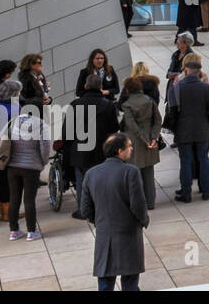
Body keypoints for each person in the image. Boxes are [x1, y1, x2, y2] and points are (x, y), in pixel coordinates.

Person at [78, 133, 149, 291]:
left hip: (104, 234)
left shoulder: (91, 174)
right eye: (129, 146)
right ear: (119, 151)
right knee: (130, 282)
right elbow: (138, 205)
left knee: (105, 282)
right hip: (128, 235)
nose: (131, 149)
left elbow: (85, 209)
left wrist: (100, 221)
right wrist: (144, 220)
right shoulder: (131, 172)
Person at [67, 74, 120, 219]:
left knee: (81, 182)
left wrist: (69, 148)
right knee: (102, 180)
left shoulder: (74, 105)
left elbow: (67, 132)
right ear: (101, 87)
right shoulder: (108, 105)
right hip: (101, 150)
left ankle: (83, 210)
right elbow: (114, 128)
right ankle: (102, 208)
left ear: (85, 86)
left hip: (80, 149)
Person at [165, 57, 209, 202]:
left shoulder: (176, 89)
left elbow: (171, 113)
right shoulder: (207, 88)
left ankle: (186, 193)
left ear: (186, 71)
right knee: (203, 159)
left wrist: (175, 128)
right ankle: (206, 190)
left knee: (186, 161)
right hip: (202, 129)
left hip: (183, 131)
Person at [5, 90, 51, 241]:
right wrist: (43, 163)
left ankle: (14, 231)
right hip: (31, 167)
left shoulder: (14, 122)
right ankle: (31, 232)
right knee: (29, 200)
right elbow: (44, 149)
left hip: (12, 166)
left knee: (14, 198)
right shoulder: (41, 124)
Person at [118, 77, 161, 211]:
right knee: (149, 172)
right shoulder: (150, 101)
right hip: (149, 138)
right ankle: (150, 203)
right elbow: (158, 121)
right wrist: (153, 138)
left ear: (127, 89)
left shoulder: (127, 105)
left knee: (134, 173)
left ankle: (138, 203)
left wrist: (144, 139)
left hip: (134, 141)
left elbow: (131, 125)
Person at [0, 77, 19, 222]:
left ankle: (1, 211)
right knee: (9, 181)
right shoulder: (15, 109)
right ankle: (8, 212)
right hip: (8, 147)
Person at [167, 33, 192, 103]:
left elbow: (189, 72)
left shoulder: (190, 56)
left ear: (185, 44)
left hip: (183, 85)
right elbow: (171, 67)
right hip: (172, 83)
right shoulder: (176, 54)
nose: (177, 43)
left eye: (179, 42)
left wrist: (176, 75)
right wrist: (168, 73)